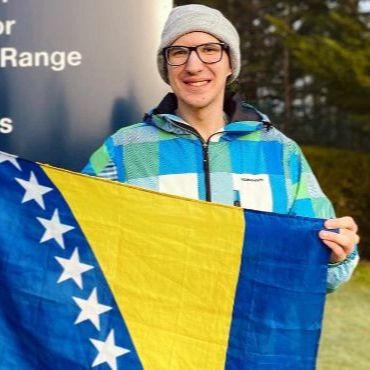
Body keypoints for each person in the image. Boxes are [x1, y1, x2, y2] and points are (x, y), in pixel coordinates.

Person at [82, 4, 359, 291]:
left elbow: (324, 271)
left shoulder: (279, 151)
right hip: (154, 331)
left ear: (230, 63)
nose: (193, 65)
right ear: (166, 67)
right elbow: (79, 242)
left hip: (249, 330)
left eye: (210, 49)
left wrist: (337, 257)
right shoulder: (124, 148)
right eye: (178, 52)